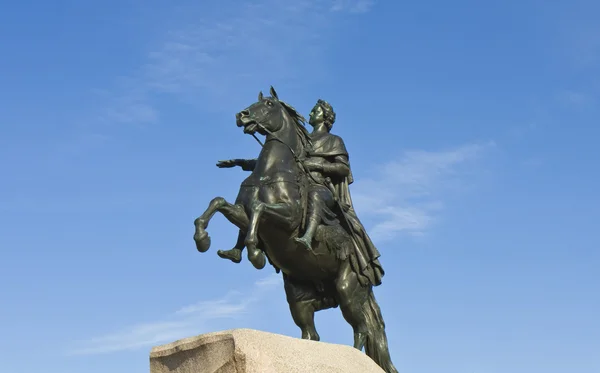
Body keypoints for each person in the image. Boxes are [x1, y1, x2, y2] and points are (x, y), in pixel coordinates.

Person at [217, 99, 384, 286]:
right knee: (258, 193)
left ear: (326, 117)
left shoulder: (334, 141)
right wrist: (241, 163)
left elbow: (343, 169)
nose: (311, 113)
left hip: (321, 186)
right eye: (312, 110)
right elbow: (276, 163)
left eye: (316, 111)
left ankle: (307, 236)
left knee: (315, 195)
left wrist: (318, 164)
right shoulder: (301, 138)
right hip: (296, 182)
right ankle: (240, 247)